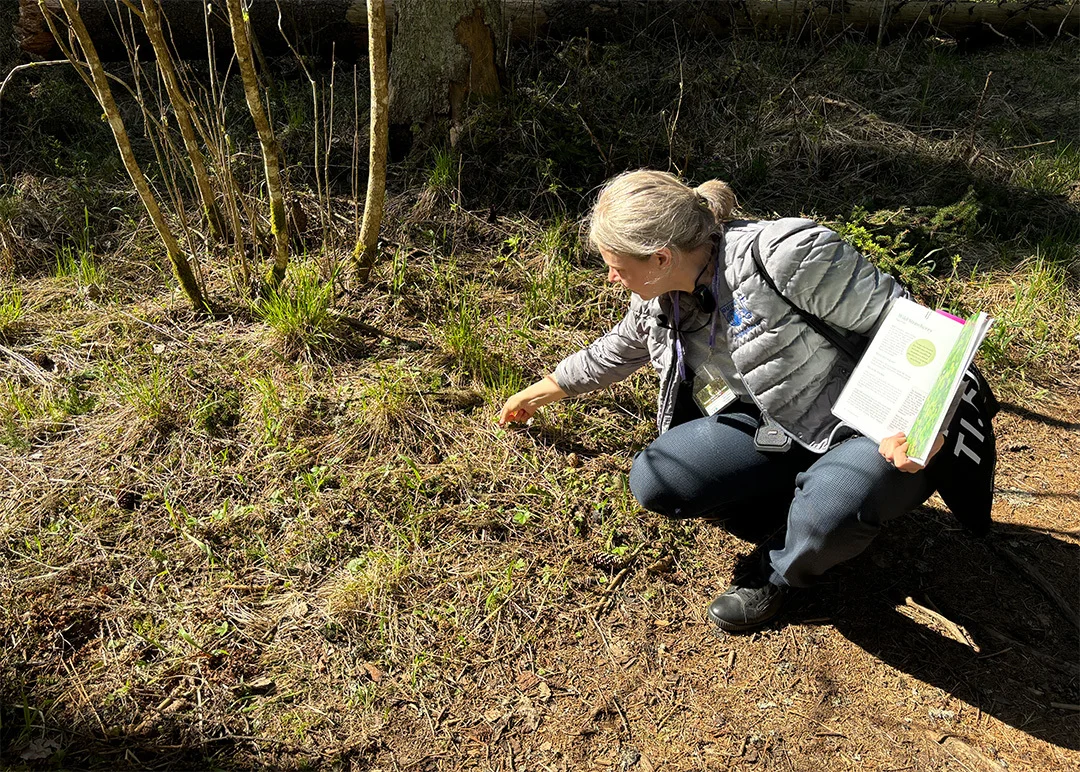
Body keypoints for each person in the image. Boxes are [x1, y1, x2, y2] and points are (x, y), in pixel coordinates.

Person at [498, 169, 945, 633]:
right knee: (661, 477)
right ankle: (800, 516)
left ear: (661, 257)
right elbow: (617, 348)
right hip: (776, 425)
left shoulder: (786, 254)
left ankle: (779, 572)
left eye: (619, 268)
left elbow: (912, 327)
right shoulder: (664, 296)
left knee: (836, 503)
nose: (612, 279)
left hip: (865, 425)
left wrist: (925, 420)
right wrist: (544, 390)